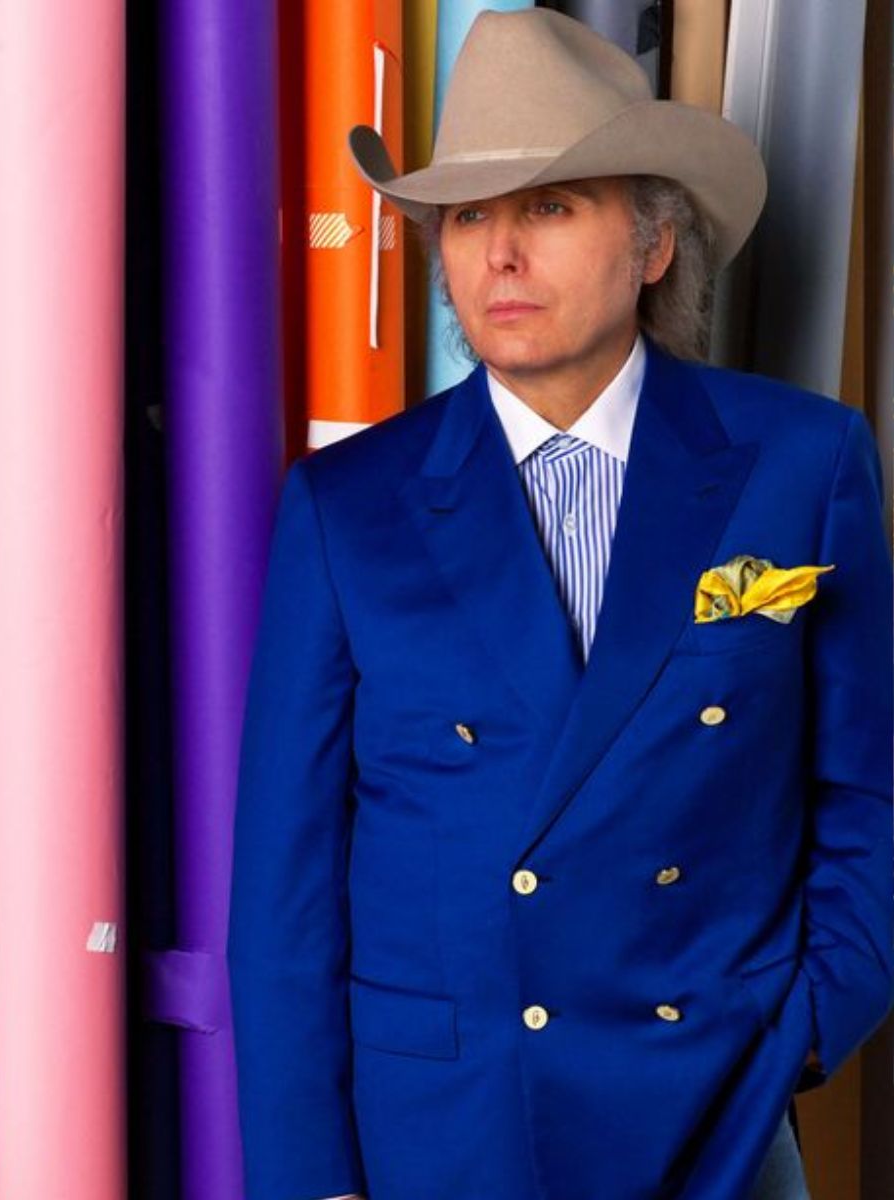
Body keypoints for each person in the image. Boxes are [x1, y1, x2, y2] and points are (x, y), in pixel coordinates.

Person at [227, 9, 894, 1200]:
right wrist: (308, 1176)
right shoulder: (345, 506)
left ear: (652, 244)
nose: (498, 254)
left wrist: (804, 1024)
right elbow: (284, 885)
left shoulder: (801, 463)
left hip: (715, 1116)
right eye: (465, 217)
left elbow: (868, 789)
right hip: (443, 1128)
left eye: (547, 206)